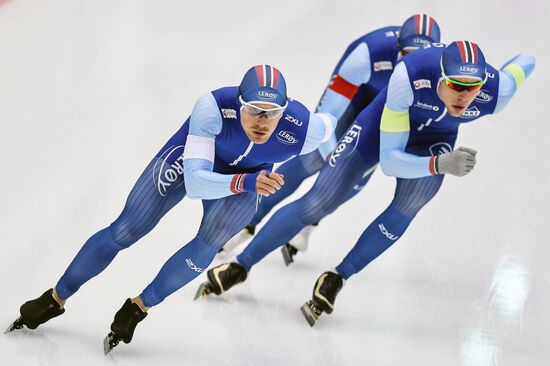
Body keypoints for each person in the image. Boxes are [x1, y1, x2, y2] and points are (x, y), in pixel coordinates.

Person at [195, 41, 535, 326]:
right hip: (383, 126)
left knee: (410, 205)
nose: (463, 97)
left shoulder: (497, 92)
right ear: (440, 78)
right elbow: (389, 161)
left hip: (435, 138)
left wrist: (519, 60)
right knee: (319, 202)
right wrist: (441, 163)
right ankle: (241, 266)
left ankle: (338, 276)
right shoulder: (410, 76)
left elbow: (525, 63)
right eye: (456, 86)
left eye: (472, 88)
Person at [5, 65, 337, 351]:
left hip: (248, 177)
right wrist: (247, 183)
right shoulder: (213, 108)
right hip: (197, 160)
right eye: (254, 110)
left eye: (272, 113)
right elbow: (196, 183)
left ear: (286, 108)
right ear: (239, 105)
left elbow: (331, 123)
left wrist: (332, 158)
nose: (263, 122)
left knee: (206, 248)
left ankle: (138, 307)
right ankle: (56, 297)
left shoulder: (303, 128)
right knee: (127, 229)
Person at [220, 14, 442, 262]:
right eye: (406, 55)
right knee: (314, 156)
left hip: (391, 112)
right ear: (396, 47)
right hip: (355, 103)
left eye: (418, 59)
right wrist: (333, 161)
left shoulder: (441, 75)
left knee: (356, 173)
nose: (409, 66)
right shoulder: (368, 55)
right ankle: (249, 219)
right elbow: (327, 117)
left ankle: (310, 222)